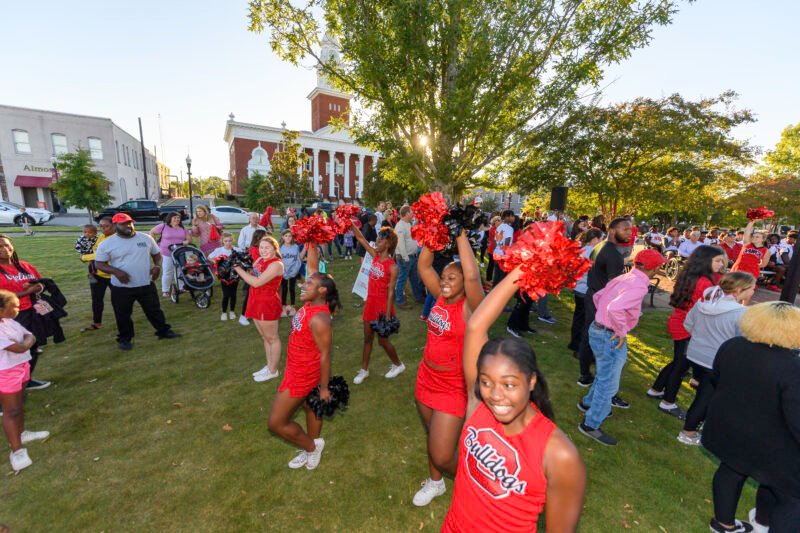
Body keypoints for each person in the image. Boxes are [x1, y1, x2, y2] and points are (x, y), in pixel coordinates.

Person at [442, 263, 586, 531]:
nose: (496, 396)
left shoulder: (559, 454)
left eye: (509, 385)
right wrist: (521, 269)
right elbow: (475, 327)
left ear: (531, 381)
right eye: (486, 382)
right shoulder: (478, 405)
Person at [703, 302, 800, 533]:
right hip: (771, 445)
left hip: (729, 430)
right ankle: (763, 521)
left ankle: (726, 524)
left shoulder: (732, 346)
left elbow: (717, 380)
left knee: (731, 470)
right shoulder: (792, 367)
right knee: (793, 498)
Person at [411, 230, 484, 506]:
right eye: (443, 278)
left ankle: (477, 483)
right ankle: (436, 482)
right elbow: (423, 265)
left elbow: (474, 276)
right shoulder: (440, 297)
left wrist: (461, 234)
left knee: (442, 454)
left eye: (451, 278)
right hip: (426, 377)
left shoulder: (471, 307)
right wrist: (434, 230)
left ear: (464, 282)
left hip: (452, 385)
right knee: (433, 438)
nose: (444, 282)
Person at [578, 249, 667, 446]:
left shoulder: (625, 277)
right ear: (655, 268)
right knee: (609, 383)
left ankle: (587, 403)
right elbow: (615, 308)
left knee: (603, 374)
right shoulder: (638, 286)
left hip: (598, 329)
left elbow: (599, 297)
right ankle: (591, 424)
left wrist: (604, 319)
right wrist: (620, 329)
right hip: (609, 334)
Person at [268, 243, 341, 471]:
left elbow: (326, 355)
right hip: (295, 366)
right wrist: (311, 238)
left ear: (322, 292)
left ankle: (311, 447)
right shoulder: (311, 302)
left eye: (309, 283)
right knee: (311, 408)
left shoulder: (320, 319)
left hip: (303, 373)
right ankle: (313, 444)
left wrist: (324, 388)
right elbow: (312, 265)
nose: (303, 284)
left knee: (276, 422)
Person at [647, 245, 727, 418]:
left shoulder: (693, 276)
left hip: (681, 322)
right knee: (681, 366)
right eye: (718, 261)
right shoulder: (705, 282)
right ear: (706, 261)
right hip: (686, 327)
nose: (721, 264)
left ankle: (656, 389)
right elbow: (709, 308)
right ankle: (667, 402)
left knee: (678, 362)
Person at [677, 272, 755, 446]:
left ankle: (703, 421)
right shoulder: (741, 313)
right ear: (740, 290)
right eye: (752, 289)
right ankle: (688, 432)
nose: (753, 292)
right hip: (716, 361)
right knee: (706, 397)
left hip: (695, 354)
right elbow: (743, 340)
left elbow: (688, 324)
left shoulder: (702, 303)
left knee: (704, 392)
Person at [94, 214, 180, 351]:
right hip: (121, 287)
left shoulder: (145, 238)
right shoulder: (107, 244)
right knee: (123, 314)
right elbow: (99, 264)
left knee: (154, 310)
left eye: (130, 223)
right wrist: (117, 272)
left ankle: (163, 331)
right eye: (123, 224)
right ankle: (125, 339)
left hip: (145, 283)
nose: (128, 226)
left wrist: (157, 266)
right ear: (115, 225)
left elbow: (157, 254)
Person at [576, 218, 633, 397]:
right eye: (625, 229)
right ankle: (600, 383)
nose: (629, 233)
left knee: (588, 334)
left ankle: (585, 374)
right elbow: (613, 287)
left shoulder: (600, 247)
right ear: (611, 229)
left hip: (592, 296)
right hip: (601, 302)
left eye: (630, 230)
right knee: (605, 342)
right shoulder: (614, 255)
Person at [0, 290, 49, 472]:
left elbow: (30, 336)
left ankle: (21, 434)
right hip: (5, 372)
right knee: (11, 411)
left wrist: (24, 344)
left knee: (19, 404)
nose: (18, 309)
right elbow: (21, 346)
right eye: (14, 306)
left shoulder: (9, 322)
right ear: (1, 310)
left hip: (21, 367)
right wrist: (24, 344)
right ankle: (16, 451)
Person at [350, 223, 405, 384]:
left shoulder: (393, 266)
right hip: (370, 302)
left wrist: (387, 315)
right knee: (367, 338)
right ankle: (364, 370)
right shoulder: (374, 255)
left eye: (380, 241)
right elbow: (360, 238)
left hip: (382, 306)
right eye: (377, 240)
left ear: (388, 244)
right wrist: (349, 222)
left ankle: (398, 365)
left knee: (382, 340)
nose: (376, 243)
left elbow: (391, 292)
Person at [0, 235, 49, 390]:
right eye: (0, 247)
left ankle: (26, 379)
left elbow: (41, 283)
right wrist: (26, 292)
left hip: (34, 309)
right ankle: (9, 386)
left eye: (7, 245)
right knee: (14, 351)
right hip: (12, 315)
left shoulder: (25, 266)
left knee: (35, 344)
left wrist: (38, 287)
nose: (5, 250)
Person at [234, 235, 284, 382]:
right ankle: (269, 366)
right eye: (261, 247)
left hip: (266, 303)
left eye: (267, 248)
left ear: (275, 249)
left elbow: (256, 282)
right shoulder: (260, 260)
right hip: (255, 300)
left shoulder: (276, 265)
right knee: (265, 337)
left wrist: (237, 269)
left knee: (272, 338)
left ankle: (273, 370)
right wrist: (242, 266)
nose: (263, 250)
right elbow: (251, 274)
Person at [567, 229, 603, 357]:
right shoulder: (593, 252)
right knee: (586, 320)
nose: (601, 242)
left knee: (578, 317)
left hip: (578, 287)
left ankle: (574, 342)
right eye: (600, 239)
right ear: (594, 239)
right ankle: (581, 347)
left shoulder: (581, 250)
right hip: (586, 289)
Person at [80, 217, 115, 332]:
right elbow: (95, 251)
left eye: (106, 226)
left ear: (114, 226)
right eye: (101, 226)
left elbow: (102, 254)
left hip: (112, 275)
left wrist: (84, 257)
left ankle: (123, 321)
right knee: (96, 300)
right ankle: (97, 323)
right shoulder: (101, 236)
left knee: (118, 300)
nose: (103, 228)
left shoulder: (115, 239)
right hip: (97, 275)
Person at [150, 212, 192, 297]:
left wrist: (186, 242)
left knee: (180, 270)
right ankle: (165, 290)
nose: (177, 219)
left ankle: (181, 287)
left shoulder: (183, 228)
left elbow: (189, 239)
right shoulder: (163, 226)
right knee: (168, 271)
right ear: (170, 218)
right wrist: (155, 244)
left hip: (180, 252)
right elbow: (152, 232)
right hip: (166, 253)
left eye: (178, 218)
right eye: (174, 218)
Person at [394, 206, 426, 309]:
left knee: (414, 278)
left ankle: (418, 297)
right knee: (402, 279)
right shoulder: (400, 226)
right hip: (405, 257)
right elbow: (400, 243)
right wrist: (405, 257)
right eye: (411, 212)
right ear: (407, 213)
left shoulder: (408, 224)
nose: (413, 214)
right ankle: (400, 301)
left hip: (412, 256)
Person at [237, 229, 267, 327]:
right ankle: (243, 316)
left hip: (261, 276)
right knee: (250, 296)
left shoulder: (261, 247)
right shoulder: (253, 249)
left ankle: (257, 314)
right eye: (264, 237)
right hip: (253, 277)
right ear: (258, 238)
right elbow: (255, 264)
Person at [208, 232, 241, 321]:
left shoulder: (237, 250)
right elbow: (209, 257)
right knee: (226, 294)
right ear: (222, 241)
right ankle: (224, 312)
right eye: (226, 241)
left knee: (233, 294)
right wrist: (216, 262)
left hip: (235, 276)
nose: (228, 243)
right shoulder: (219, 250)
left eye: (230, 241)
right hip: (224, 277)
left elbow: (242, 259)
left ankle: (232, 311)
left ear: (233, 240)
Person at [279, 230, 304, 317]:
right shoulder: (280, 247)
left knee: (292, 288)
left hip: (293, 271)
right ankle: (283, 307)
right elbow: (279, 261)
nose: (288, 238)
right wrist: (283, 271)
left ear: (292, 237)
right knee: (284, 288)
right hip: (283, 272)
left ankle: (293, 306)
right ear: (283, 237)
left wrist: (294, 271)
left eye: (290, 236)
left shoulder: (295, 247)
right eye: (286, 236)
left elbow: (298, 260)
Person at [492, 210, 515, 287]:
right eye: (512, 216)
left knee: (496, 274)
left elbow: (495, 240)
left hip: (496, 252)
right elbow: (507, 241)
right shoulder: (509, 228)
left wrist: (495, 250)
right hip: (503, 254)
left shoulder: (499, 227)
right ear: (507, 217)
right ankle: (499, 292)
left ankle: (494, 290)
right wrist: (506, 254)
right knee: (502, 276)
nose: (513, 218)